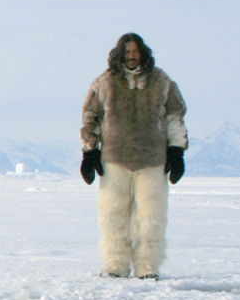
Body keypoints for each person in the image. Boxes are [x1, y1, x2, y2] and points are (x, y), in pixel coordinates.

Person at [80, 32, 189, 279]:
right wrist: (89, 152)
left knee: (151, 216)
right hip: (114, 158)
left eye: (135, 52)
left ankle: (147, 266)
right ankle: (115, 264)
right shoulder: (104, 83)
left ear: (143, 53)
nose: (131, 56)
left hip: (152, 159)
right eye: (127, 52)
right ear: (120, 54)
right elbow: (90, 118)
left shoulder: (162, 81)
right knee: (113, 214)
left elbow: (175, 116)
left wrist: (176, 151)